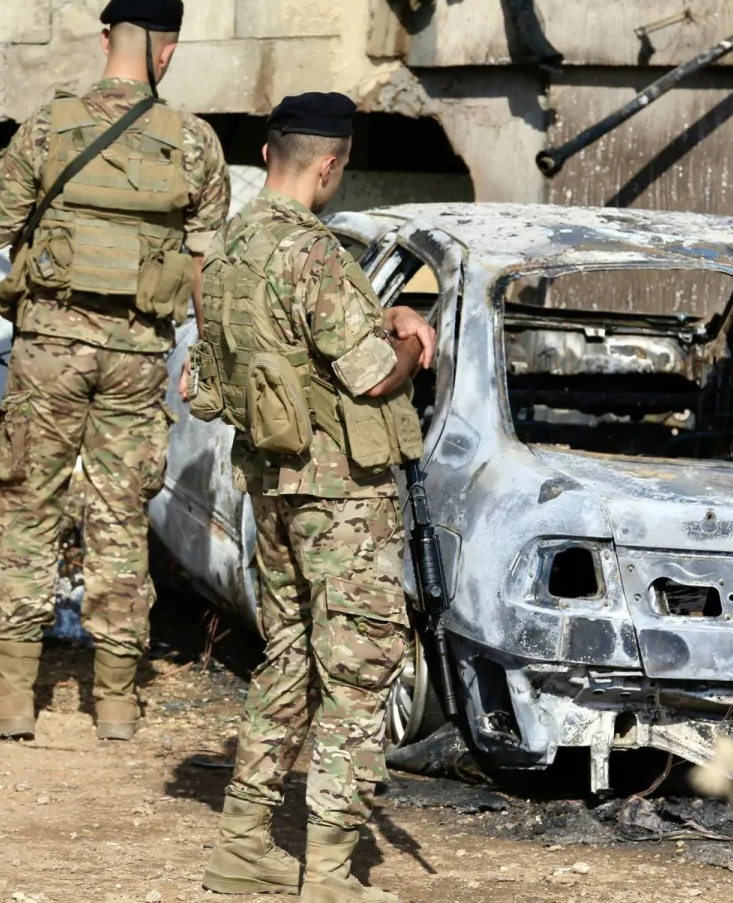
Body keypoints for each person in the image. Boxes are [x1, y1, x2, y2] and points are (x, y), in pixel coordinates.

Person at [0, 0, 231, 740]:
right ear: (168, 50)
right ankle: (115, 699)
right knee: (119, 515)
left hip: (49, 348)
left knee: (30, 506)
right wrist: (204, 358)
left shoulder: (51, 126)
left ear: (107, 39)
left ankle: (15, 694)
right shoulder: (195, 142)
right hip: (140, 352)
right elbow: (205, 263)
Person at [190, 92, 436, 903]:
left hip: (270, 487)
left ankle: (241, 845)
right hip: (341, 496)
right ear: (330, 166)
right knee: (361, 669)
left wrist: (379, 314)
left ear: (270, 154)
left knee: (289, 655)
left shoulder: (228, 251)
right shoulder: (314, 254)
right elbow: (370, 375)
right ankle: (330, 874)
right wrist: (412, 338)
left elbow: (203, 389)